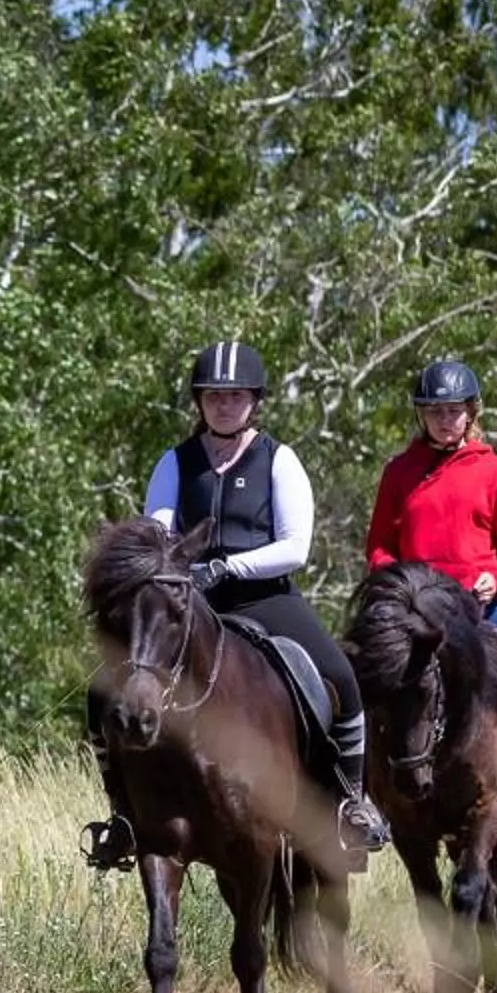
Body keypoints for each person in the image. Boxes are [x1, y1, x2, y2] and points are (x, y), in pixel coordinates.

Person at [82, 340, 388, 870]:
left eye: (235, 396)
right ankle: (124, 815)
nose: (224, 405)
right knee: (102, 689)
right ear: (199, 402)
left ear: (254, 401)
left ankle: (348, 802)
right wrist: (175, 569)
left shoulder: (279, 459)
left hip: (264, 598)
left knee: (340, 676)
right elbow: (158, 531)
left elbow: (296, 546)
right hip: (188, 603)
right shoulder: (176, 462)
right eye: (214, 396)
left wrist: (229, 566)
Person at [364, 359, 497, 850]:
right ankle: (362, 798)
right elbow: (379, 545)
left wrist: (496, 578)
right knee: (362, 678)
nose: (444, 419)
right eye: (434, 410)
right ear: (421, 415)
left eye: (454, 410)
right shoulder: (399, 472)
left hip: (481, 608)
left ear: (470, 413)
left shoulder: (495, 472)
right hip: (415, 610)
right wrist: (396, 581)